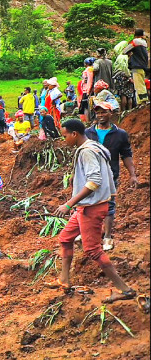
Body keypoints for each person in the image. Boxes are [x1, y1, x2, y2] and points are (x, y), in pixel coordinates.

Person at [48, 119, 137, 303]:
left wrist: (69, 204)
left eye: (65, 135)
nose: (63, 139)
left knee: (93, 250)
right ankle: (64, 280)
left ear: (74, 134)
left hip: (92, 207)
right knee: (65, 238)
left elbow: (94, 181)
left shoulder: (87, 152)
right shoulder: (93, 146)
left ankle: (124, 289)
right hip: (86, 206)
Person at [84, 100, 139, 251]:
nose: (101, 115)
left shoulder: (120, 134)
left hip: (110, 175)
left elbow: (126, 155)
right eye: (98, 112)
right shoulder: (88, 133)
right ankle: (90, 233)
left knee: (109, 205)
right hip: (90, 175)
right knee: (89, 203)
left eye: (104, 112)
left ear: (111, 113)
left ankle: (107, 237)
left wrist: (132, 174)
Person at [121, 28, 148, 102]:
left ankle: (143, 101)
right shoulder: (144, 43)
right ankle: (139, 102)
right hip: (143, 66)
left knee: (138, 85)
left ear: (135, 35)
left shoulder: (135, 41)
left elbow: (124, 51)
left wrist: (129, 53)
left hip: (136, 66)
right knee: (141, 83)